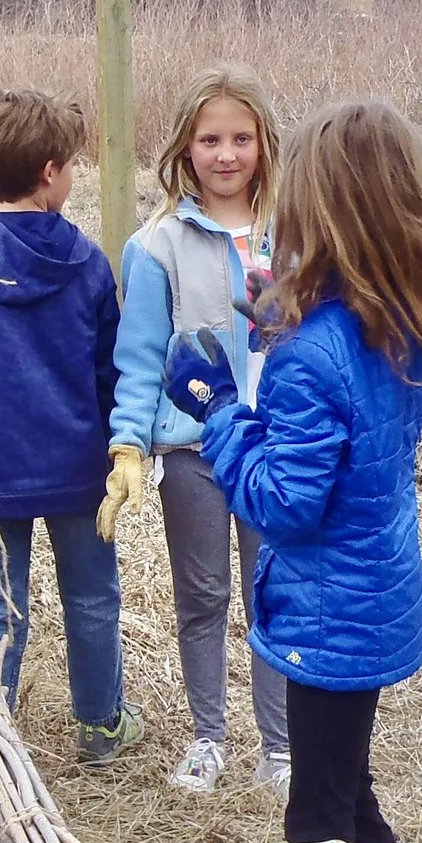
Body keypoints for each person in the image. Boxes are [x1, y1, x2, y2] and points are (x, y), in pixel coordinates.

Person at [162, 99, 422, 843]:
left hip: (325, 617)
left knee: (318, 818)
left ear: (328, 215)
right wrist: (287, 314)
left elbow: (284, 502)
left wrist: (215, 409)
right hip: (373, 594)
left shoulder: (312, 355)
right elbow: (351, 410)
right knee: (349, 789)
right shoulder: (398, 317)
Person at [102, 66, 291, 796]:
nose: (225, 154)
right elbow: (140, 355)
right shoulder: (155, 244)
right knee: (204, 597)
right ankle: (207, 738)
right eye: (209, 138)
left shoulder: (297, 230)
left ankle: (279, 750)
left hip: (276, 448)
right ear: (185, 146)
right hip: (196, 453)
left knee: (271, 595)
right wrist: (128, 444)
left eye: (240, 137)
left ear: (263, 143)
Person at [0, 88, 145, 765]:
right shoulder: (90, 262)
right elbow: (110, 368)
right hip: (77, 471)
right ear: (48, 172)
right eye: (71, 163)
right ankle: (100, 727)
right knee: (93, 598)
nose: (75, 175)